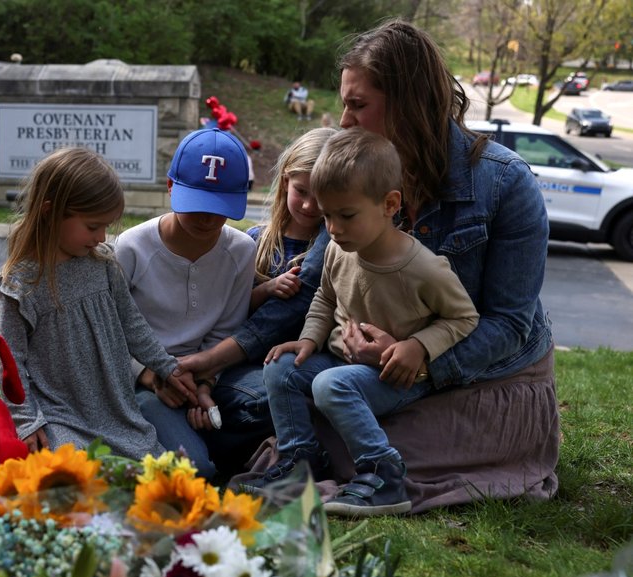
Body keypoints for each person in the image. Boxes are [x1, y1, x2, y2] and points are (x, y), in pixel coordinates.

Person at [181, 18, 559, 513]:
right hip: (363, 368)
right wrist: (216, 361)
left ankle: (380, 473)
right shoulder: (362, 176)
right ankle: (302, 460)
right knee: (271, 384)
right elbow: (314, 284)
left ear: (407, 103)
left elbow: (509, 323)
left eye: (357, 105)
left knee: (307, 407)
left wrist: (420, 355)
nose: (343, 121)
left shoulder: (506, 185)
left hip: (477, 374)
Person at [256, 128, 479, 517]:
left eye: (346, 215)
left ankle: (383, 474)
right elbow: (326, 297)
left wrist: (418, 346)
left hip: (394, 377)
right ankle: (298, 461)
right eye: (327, 216)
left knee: (329, 384)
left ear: (390, 204)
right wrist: (308, 340)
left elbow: (464, 317)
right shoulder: (339, 251)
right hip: (341, 362)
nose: (333, 228)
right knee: (282, 369)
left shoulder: (424, 269)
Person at [0, 147, 197, 460]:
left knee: (150, 473)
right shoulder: (21, 286)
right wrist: (27, 422)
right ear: (49, 211)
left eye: (106, 226)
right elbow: (10, 364)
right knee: (78, 471)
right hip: (60, 414)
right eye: (92, 226)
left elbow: (132, 324)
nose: (101, 236)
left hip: (116, 409)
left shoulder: (103, 264)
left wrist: (166, 367)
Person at [114, 128, 261, 479]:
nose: (208, 218)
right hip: (142, 380)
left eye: (220, 206)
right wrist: (150, 375)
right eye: (196, 204)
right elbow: (111, 329)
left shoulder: (241, 251)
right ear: (170, 187)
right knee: (197, 471)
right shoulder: (131, 248)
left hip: (204, 377)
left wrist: (206, 385)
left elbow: (226, 328)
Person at [247, 127, 337, 312]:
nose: (308, 206)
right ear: (286, 181)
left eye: (321, 196)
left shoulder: (337, 250)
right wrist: (267, 289)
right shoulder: (254, 241)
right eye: (301, 192)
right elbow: (231, 310)